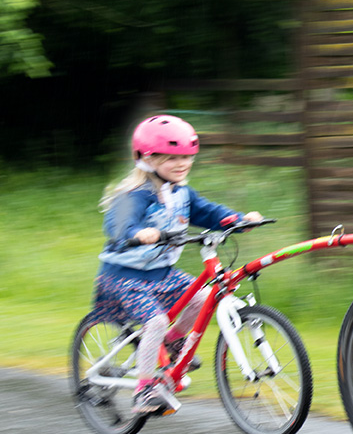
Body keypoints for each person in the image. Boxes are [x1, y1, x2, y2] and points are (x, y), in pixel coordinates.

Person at [92, 114, 263, 415]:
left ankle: (172, 344)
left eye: (187, 157)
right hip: (124, 279)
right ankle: (145, 390)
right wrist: (137, 233)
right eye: (171, 158)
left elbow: (209, 212)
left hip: (161, 275)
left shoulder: (181, 193)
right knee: (155, 321)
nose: (182, 164)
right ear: (147, 158)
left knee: (203, 297)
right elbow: (117, 223)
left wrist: (238, 220)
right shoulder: (136, 195)